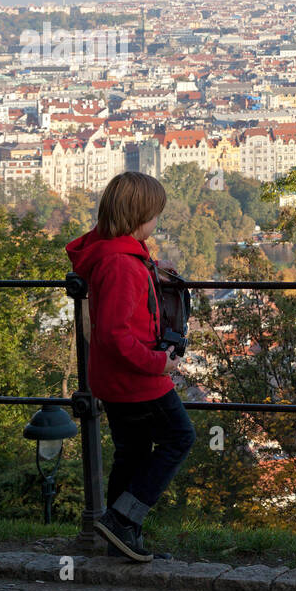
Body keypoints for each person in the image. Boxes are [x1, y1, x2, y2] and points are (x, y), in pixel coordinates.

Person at [66, 171, 195, 562]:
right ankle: (124, 519)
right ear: (139, 217)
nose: (157, 222)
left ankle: (121, 539)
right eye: (154, 216)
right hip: (136, 378)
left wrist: (150, 270)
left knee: (133, 452)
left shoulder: (114, 252)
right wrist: (159, 364)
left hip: (111, 378)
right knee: (179, 437)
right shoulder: (122, 263)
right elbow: (115, 334)